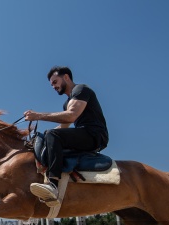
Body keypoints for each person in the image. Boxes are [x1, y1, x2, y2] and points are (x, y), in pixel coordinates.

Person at [24, 66, 109, 206]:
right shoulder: (67, 103)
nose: (53, 86)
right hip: (82, 134)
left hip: (95, 134)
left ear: (66, 77)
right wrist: (42, 139)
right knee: (49, 134)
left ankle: (53, 185)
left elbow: (71, 116)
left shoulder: (81, 90)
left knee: (52, 134)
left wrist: (38, 116)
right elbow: (63, 127)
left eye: (55, 82)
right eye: (51, 84)